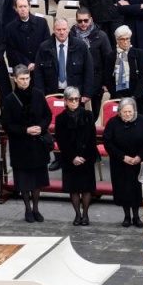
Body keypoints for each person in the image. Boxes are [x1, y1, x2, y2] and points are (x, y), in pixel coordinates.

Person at [0, 65, 51, 223]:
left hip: (37, 144)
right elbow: (7, 124)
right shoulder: (9, 100)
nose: (25, 81)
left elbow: (47, 115)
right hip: (21, 146)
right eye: (21, 79)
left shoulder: (38, 94)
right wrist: (26, 130)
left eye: (27, 78)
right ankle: (28, 209)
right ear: (15, 79)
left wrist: (40, 128)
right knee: (24, 181)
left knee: (37, 180)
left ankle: (36, 209)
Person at [102, 98, 143, 227]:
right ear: (119, 112)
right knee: (123, 189)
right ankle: (126, 216)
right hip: (120, 163)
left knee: (137, 190)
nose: (128, 114)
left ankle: (136, 217)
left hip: (138, 162)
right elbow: (108, 142)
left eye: (130, 111)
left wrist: (140, 156)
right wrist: (122, 157)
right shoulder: (113, 123)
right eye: (125, 112)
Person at [55, 87, 98, 226]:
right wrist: (73, 157)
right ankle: (77, 215)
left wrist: (83, 156)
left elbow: (92, 138)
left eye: (76, 99)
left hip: (86, 156)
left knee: (86, 188)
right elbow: (62, 141)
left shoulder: (88, 115)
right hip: (70, 159)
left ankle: (85, 214)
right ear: (66, 101)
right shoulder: (60, 119)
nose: (74, 102)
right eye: (71, 99)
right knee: (73, 188)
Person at [33, 19, 95, 108]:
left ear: (69, 29)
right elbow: (38, 73)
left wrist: (87, 93)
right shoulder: (44, 47)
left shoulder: (80, 46)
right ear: (53, 30)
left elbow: (88, 70)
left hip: (75, 94)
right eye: (58, 30)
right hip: (51, 92)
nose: (62, 32)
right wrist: (40, 94)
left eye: (64, 29)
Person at [72, 8, 114, 122]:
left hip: (96, 78)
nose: (83, 24)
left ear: (91, 20)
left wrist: (106, 82)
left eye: (85, 20)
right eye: (80, 21)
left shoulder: (101, 36)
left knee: (94, 113)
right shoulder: (71, 35)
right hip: (76, 78)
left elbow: (108, 61)